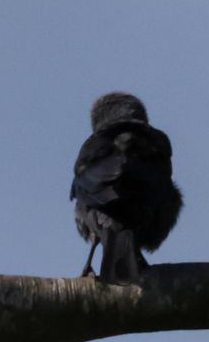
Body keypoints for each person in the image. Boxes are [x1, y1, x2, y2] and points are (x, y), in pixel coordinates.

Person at [71, 92, 183, 283]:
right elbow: (159, 187)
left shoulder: (93, 146)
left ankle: (89, 267)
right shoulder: (153, 142)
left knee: (110, 226)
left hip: (99, 203)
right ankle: (136, 262)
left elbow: (83, 186)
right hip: (141, 203)